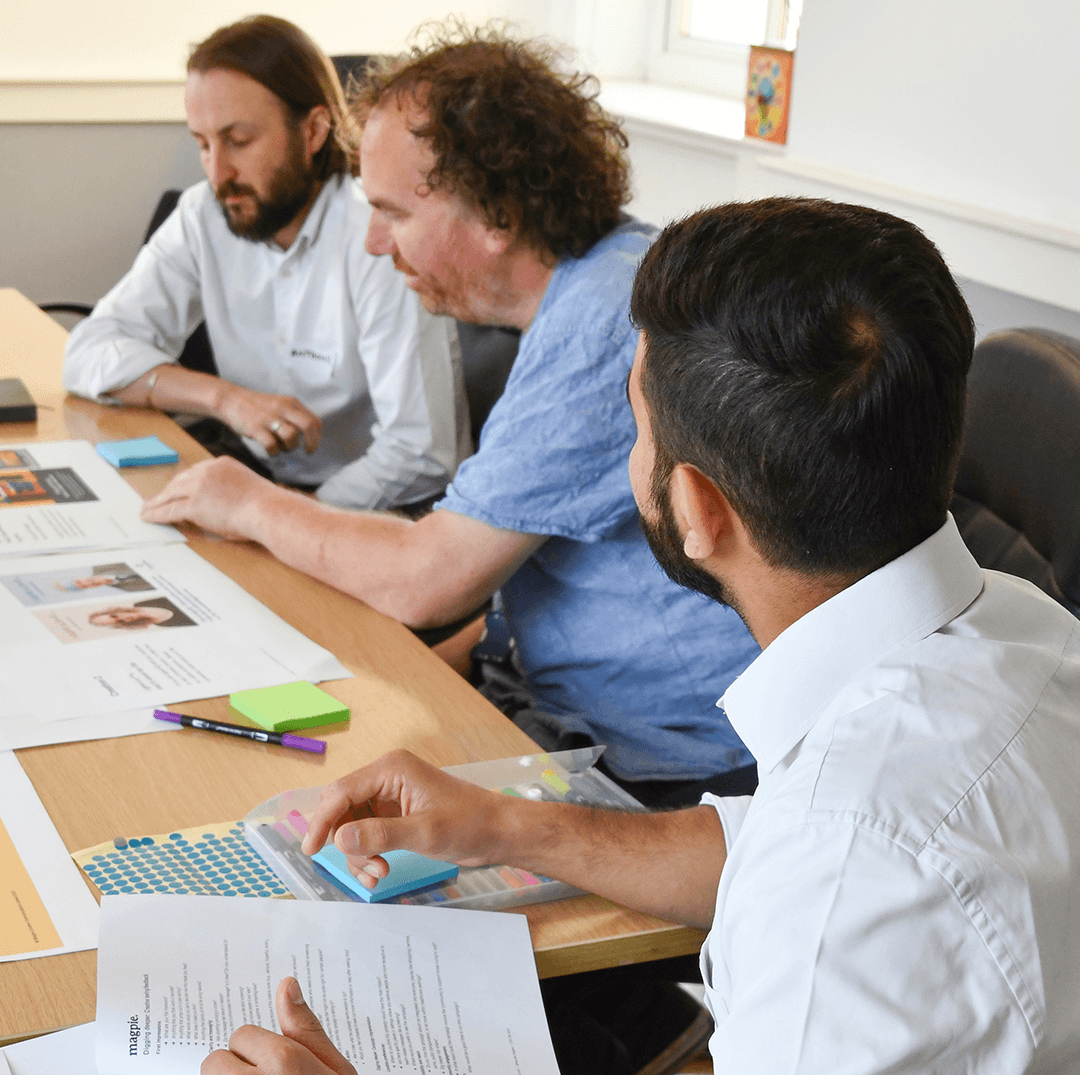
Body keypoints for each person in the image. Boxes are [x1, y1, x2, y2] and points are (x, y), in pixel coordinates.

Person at [202, 199, 1080, 1075]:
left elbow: (830, 853)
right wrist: (505, 826)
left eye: (636, 427)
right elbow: (766, 841)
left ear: (698, 508)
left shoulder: (848, 872)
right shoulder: (1025, 627)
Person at [141, 25, 761, 806]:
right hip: (559, 703)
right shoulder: (599, 282)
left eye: (393, 212)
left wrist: (247, 499)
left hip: (659, 769)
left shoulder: (605, 319)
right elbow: (552, 565)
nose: (372, 242)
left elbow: (427, 580)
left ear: (497, 214)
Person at [63, 15, 469, 512]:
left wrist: (281, 517)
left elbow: (422, 453)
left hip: (369, 505)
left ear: (314, 130)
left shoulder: (379, 234)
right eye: (203, 144)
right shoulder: (203, 214)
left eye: (239, 141)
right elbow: (88, 353)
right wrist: (224, 399)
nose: (219, 173)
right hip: (256, 481)